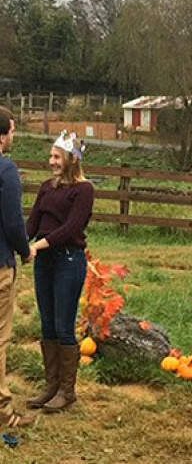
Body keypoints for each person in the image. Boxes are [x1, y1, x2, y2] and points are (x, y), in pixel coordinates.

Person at [26, 130, 94, 413]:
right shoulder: (46, 187)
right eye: (51, 156)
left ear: (70, 160)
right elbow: (32, 223)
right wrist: (19, 244)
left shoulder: (84, 190)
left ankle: (67, 391)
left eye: (56, 157)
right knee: (48, 325)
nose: (51, 161)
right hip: (45, 261)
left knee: (64, 325)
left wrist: (39, 245)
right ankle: (51, 385)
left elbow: (71, 228)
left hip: (68, 259)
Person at [0, 106, 35, 427]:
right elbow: (13, 222)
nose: (14, 136)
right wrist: (25, 250)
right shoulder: (6, 171)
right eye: (12, 131)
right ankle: (1, 414)